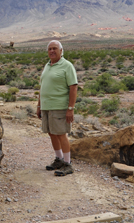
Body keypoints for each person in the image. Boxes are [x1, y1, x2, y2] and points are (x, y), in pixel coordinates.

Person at [36, 40, 78, 176]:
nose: (52, 51)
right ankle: (59, 159)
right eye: (49, 49)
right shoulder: (47, 65)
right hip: (47, 106)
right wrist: (39, 105)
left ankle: (68, 164)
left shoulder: (67, 66)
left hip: (59, 106)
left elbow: (73, 87)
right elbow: (42, 87)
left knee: (61, 134)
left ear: (61, 50)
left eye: (55, 48)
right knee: (51, 133)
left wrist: (70, 108)